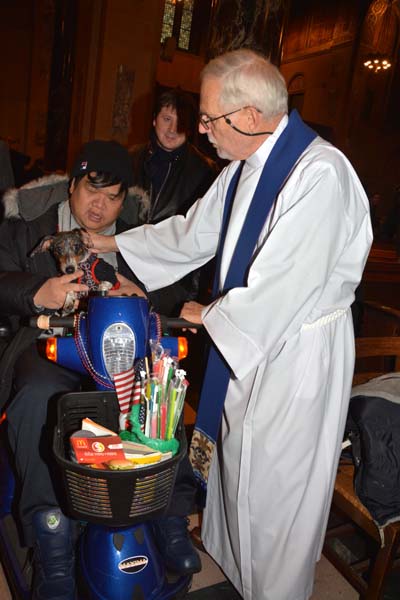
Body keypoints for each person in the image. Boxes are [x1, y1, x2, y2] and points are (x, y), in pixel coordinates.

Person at [87, 48, 373, 600]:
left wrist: (213, 313)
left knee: (276, 490)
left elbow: (289, 279)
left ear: (247, 117)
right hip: (250, 341)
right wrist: (113, 242)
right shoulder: (244, 169)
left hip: (296, 356)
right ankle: (242, 579)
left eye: (209, 118)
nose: (201, 129)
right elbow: (191, 234)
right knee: (237, 465)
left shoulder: (321, 173)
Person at [0, 140, 200, 600]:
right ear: (71, 186)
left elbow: (177, 292)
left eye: (113, 197)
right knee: (39, 396)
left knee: (164, 387)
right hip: (49, 345)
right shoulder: (29, 226)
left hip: (124, 348)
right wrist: (37, 291)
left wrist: (145, 295)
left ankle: (169, 514)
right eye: (93, 190)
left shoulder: (133, 238)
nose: (101, 206)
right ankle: (52, 546)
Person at [129, 87, 218, 315]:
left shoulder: (205, 171)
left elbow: (204, 237)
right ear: (154, 120)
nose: (172, 129)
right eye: (166, 119)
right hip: (126, 272)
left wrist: (191, 297)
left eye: (180, 122)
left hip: (172, 286)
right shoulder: (130, 159)